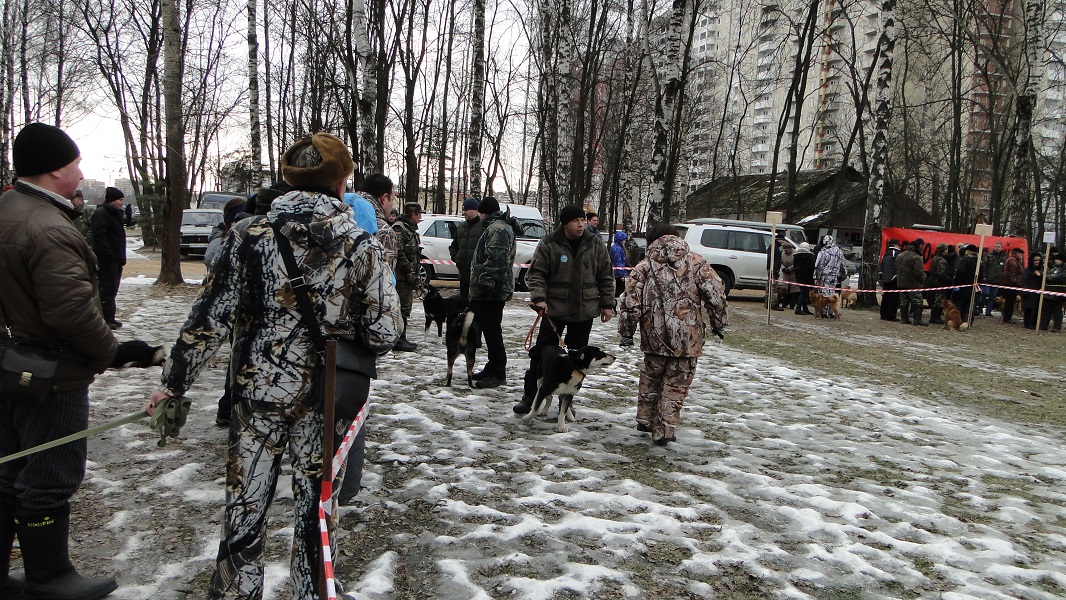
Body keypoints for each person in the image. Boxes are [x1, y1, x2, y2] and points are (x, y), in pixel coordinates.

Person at [146, 132, 401, 599]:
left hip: (256, 394)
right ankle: (312, 592)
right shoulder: (361, 245)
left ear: (290, 179)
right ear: (342, 182)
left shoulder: (247, 236)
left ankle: (237, 593)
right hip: (327, 396)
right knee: (316, 508)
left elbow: (209, 318)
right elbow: (385, 332)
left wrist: (174, 383)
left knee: (245, 504)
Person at [0, 122, 120, 599]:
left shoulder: (7, 209)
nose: (81, 173)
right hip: (51, 375)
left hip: (10, 368)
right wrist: (111, 350)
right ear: (54, 170)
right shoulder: (47, 227)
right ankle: (49, 577)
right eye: (75, 164)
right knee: (49, 475)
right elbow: (70, 312)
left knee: (8, 470)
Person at [618, 223, 727, 445]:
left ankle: (645, 418)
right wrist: (719, 324)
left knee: (652, 376)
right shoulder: (697, 263)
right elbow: (715, 296)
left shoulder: (644, 266)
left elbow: (630, 302)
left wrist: (626, 332)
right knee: (676, 382)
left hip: (654, 335)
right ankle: (664, 428)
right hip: (687, 337)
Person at [514, 205, 615, 414]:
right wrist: (539, 298)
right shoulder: (549, 243)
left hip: (584, 310)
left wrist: (607, 304)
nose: (581, 224)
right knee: (541, 355)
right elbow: (536, 273)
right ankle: (530, 396)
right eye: (575, 221)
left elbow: (606, 275)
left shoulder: (595, 243)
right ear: (565, 223)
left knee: (577, 360)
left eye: (583, 220)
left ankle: (566, 403)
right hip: (554, 310)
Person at [467, 196, 516, 389]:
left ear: (484, 213)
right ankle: (492, 366)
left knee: (493, 332)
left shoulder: (498, 229)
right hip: (492, 290)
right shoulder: (497, 227)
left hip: (492, 291)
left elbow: (496, 260)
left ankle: (498, 372)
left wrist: (485, 285)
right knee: (490, 331)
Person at [92, 186, 127, 330]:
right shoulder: (102, 214)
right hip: (107, 259)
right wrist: (109, 255)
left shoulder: (115, 213)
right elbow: (100, 236)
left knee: (112, 289)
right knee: (107, 289)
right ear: (112, 200)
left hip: (116, 258)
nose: (122, 203)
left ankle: (110, 317)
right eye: (120, 200)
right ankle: (105, 318)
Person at [392, 202, 423, 352]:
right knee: (402, 308)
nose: (420, 217)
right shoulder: (399, 229)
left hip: (408, 276)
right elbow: (399, 252)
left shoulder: (411, 229)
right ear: (413, 214)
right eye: (419, 214)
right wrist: (409, 270)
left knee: (406, 307)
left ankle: (402, 337)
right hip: (401, 276)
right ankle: (399, 339)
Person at [449, 197, 485, 305]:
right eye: (463, 210)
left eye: (466, 210)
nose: (464, 212)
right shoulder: (461, 227)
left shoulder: (484, 227)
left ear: (475, 210)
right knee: (464, 306)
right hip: (464, 276)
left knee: (477, 307)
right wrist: (456, 258)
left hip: (478, 278)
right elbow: (454, 246)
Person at [895, 239, 928, 326]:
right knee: (917, 302)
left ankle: (904, 318)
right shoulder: (916, 257)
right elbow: (918, 272)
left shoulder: (900, 255)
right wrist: (924, 277)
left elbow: (896, 267)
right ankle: (917, 320)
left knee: (904, 302)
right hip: (914, 284)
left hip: (902, 283)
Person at [813, 235, 844, 317]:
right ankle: (832, 311)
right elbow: (842, 264)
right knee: (832, 294)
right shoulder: (839, 251)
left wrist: (816, 277)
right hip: (834, 275)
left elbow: (819, 265)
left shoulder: (824, 252)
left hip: (825, 276)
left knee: (824, 294)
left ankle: (824, 312)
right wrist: (842, 274)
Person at [951, 244, 980, 319]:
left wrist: (956, 284)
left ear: (968, 251)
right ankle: (968, 321)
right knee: (970, 307)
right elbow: (980, 276)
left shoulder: (965, 260)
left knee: (958, 307)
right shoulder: (979, 262)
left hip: (962, 288)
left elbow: (960, 273)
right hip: (973, 288)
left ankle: (958, 321)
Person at [926, 243, 951, 324]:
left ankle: (935, 317)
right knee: (939, 301)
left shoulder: (935, 258)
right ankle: (935, 317)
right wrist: (948, 280)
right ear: (944, 250)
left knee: (936, 300)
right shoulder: (941, 260)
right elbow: (941, 273)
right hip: (940, 284)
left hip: (935, 283)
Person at [999, 247, 1025, 324]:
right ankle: (1007, 317)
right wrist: (1016, 282)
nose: (1021, 256)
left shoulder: (1012, 260)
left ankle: (1007, 316)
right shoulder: (1013, 261)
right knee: (1010, 301)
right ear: (1018, 253)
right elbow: (1012, 273)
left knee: (1010, 301)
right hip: (1011, 284)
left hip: (1010, 283)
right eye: (1021, 254)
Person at [1041, 252, 1065, 332]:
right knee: (1046, 310)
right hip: (1048, 293)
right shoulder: (1053, 269)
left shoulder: (1064, 269)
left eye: (1057, 260)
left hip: (1058, 294)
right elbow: (1046, 275)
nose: (1055, 261)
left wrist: (1050, 277)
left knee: (1056, 310)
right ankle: (1043, 325)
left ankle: (1057, 327)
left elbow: (1061, 277)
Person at [981, 241, 1006, 316]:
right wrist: (984, 276)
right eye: (996, 246)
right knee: (985, 293)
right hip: (988, 279)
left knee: (992, 297)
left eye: (998, 247)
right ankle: (979, 307)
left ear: (1001, 248)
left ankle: (988, 311)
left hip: (997, 280)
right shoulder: (988, 255)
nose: (997, 248)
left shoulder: (1004, 257)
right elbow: (984, 266)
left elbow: (1004, 268)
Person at [879, 239, 901, 321]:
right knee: (893, 298)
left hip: (886, 278)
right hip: (893, 278)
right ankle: (890, 315)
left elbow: (882, 266)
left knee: (886, 296)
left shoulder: (886, 254)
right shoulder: (896, 254)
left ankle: (883, 314)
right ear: (895, 245)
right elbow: (897, 266)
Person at [1021, 252, 1044, 330]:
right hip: (1029, 291)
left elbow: (1043, 280)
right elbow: (1024, 281)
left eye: (1038, 260)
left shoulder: (1041, 270)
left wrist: (1040, 276)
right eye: (1035, 260)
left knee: (1037, 308)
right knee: (1029, 308)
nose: (1037, 262)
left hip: (1038, 292)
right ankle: (1027, 323)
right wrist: (1025, 291)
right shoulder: (1027, 270)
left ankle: (1034, 323)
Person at [792, 242, 815, 315]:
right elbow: (812, 268)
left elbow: (794, 266)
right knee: (803, 293)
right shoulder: (810, 257)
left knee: (804, 292)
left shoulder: (796, 256)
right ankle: (798, 308)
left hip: (799, 276)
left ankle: (805, 308)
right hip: (807, 277)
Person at [765, 231, 786, 310]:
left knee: (769, 286)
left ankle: (767, 303)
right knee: (774, 287)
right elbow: (772, 259)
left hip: (771, 269)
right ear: (779, 240)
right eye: (782, 240)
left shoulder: (773, 247)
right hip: (773, 269)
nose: (783, 242)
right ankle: (774, 304)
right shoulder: (774, 248)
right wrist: (775, 270)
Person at [610, 230, 630, 298]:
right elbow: (618, 262)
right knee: (620, 290)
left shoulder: (618, 247)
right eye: (624, 239)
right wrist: (621, 275)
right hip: (618, 273)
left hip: (617, 272)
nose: (625, 241)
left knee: (619, 289)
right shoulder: (617, 249)